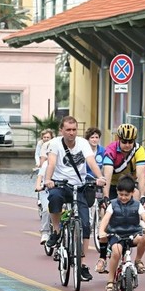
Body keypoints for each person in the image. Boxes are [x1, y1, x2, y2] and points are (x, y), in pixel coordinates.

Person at [43, 116, 106, 281]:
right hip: (60, 184)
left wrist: (100, 177)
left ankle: (82, 264)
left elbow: (91, 162)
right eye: (68, 130)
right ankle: (56, 231)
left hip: (79, 186)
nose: (71, 133)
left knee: (85, 224)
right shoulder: (55, 143)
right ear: (61, 130)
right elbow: (51, 163)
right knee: (54, 198)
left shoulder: (83, 143)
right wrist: (48, 180)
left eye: (74, 130)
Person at [99, 123, 145, 273]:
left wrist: (144, 196)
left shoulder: (139, 150)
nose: (127, 145)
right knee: (105, 214)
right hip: (113, 185)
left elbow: (141, 174)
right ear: (118, 139)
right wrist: (106, 197)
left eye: (130, 142)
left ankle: (134, 233)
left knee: (137, 199)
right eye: (124, 141)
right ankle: (102, 256)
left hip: (129, 184)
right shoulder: (111, 149)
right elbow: (107, 173)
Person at [97, 174, 145, 291]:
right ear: (117, 192)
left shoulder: (137, 205)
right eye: (120, 194)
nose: (123, 197)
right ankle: (110, 281)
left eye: (126, 195)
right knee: (116, 252)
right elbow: (106, 219)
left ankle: (138, 261)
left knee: (144, 239)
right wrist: (102, 231)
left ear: (133, 193)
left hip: (133, 233)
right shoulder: (112, 204)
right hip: (116, 235)